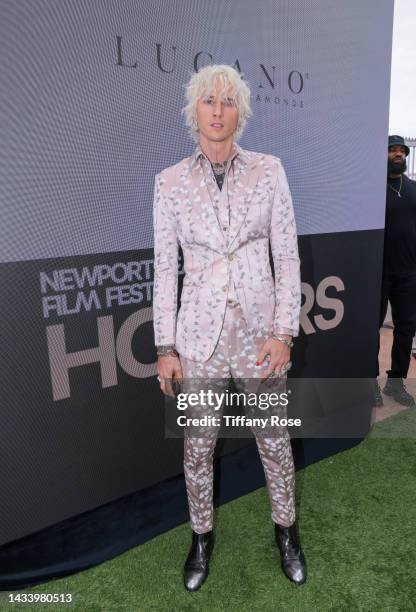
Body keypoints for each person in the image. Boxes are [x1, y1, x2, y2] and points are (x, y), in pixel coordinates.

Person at [152, 64, 306, 591]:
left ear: (241, 111)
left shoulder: (269, 170)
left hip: (261, 337)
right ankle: (200, 538)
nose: (218, 111)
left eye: (228, 102)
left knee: (273, 438)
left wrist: (284, 332)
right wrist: (165, 345)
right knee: (197, 445)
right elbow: (163, 268)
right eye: (208, 101)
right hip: (197, 340)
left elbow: (286, 257)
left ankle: (287, 531)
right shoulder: (169, 182)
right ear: (193, 109)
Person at [375, 135, 416, 407]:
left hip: (409, 273)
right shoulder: (373, 188)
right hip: (378, 272)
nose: (398, 154)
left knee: (406, 329)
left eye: (402, 151)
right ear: (384, 154)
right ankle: (369, 383)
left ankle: (395, 382)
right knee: (371, 330)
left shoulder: (413, 188)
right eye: (393, 150)